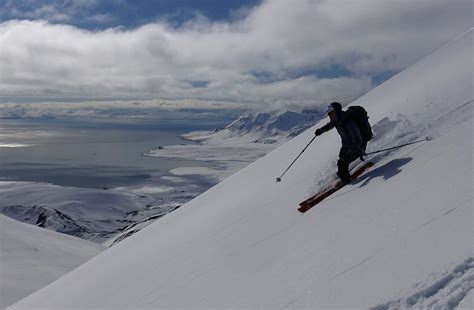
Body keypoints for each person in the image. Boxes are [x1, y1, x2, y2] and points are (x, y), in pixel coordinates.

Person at [314, 102, 367, 184]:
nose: (329, 115)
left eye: (330, 112)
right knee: (341, 159)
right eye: (328, 113)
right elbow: (330, 125)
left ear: (336, 111)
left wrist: (351, 152)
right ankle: (343, 173)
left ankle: (347, 181)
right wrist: (321, 130)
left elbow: (358, 139)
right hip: (346, 146)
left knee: (342, 162)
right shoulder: (337, 120)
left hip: (357, 147)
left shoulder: (348, 121)